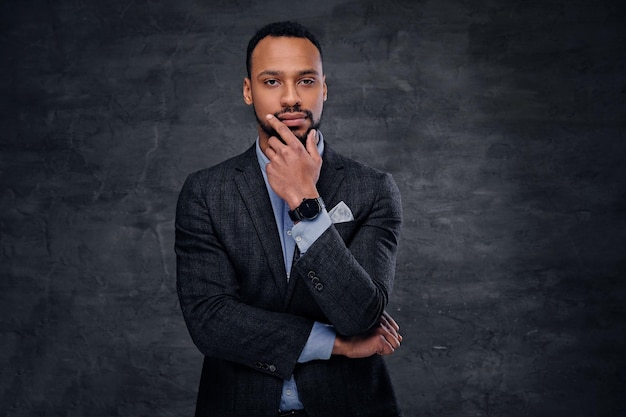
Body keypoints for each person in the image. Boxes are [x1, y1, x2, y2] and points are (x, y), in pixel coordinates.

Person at [175, 21, 403, 417]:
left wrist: (305, 201)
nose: (291, 98)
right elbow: (210, 321)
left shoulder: (374, 190)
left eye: (306, 81)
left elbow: (360, 315)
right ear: (248, 90)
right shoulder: (206, 192)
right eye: (271, 82)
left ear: (324, 89)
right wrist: (336, 344)